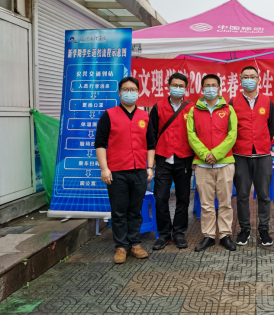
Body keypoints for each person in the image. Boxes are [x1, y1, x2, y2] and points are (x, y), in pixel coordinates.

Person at [95, 77, 155, 264]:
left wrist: (149, 167)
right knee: (119, 211)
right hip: (117, 171)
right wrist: (104, 168)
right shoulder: (109, 115)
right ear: (119, 92)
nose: (130, 92)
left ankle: (135, 244)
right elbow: (100, 143)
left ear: (138, 92)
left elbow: (151, 144)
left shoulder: (144, 116)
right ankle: (121, 246)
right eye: (126, 89)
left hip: (139, 171)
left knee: (135, 210)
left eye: (133, 89)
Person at [187, 74, 238, 252]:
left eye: (213, 85)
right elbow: (191, 135)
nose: (210, 88)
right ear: (202, 89)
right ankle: (208, 236)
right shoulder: (194, 110)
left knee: (225, 202)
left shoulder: (229, 109)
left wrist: (216, 154)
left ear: (219, 88)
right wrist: (204, 154)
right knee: (206, 204)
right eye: (207, 85)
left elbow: (232, 134)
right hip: (202, 164)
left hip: (224, 163)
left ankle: (225, 235)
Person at [229, 66, 274, 247]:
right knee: (242, 195)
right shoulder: (233, 102)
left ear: (258, 79)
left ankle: (263, 229)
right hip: (240, 154)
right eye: (246, 77)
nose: (249, 79)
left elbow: (271, 126)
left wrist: (261, 141)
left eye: (252, 76)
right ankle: (245, 229)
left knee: (264, 194)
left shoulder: (267, 101)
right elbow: (230, 128)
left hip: (262, 154)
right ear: (240, 80)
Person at [149, 73, 195, 250]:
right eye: (174, 85)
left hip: (184, 159)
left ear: (186, 88)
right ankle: (164, 234)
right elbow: (151, 134)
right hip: (163, 158)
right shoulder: (157, 107)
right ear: (168, 86)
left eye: (181, 86)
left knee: (183, 198)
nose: (177, 88)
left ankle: (179, 233)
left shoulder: (191, 108)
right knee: (161, 197)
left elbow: (196, 134)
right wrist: (151, 160)